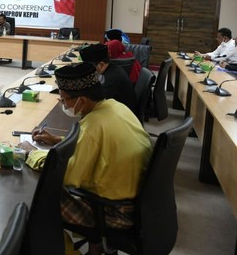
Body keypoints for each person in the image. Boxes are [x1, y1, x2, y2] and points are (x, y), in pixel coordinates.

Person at [29, 63, 151, 255]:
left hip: (114, 212)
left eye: (64, 99)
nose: (63, 104)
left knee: (40, 199)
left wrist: (31, 153)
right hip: (138, 202)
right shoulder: (116, 107)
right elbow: (97, 145)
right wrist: (57, 140)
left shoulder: (92, 127)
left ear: (82, 101)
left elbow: (65, 175)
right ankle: (97, 247)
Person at [80, 43, 137, 113]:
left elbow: (94, 105)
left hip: (120, 116)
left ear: (101, 65)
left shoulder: (110, 81)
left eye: (88, 67)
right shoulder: (112, 68)